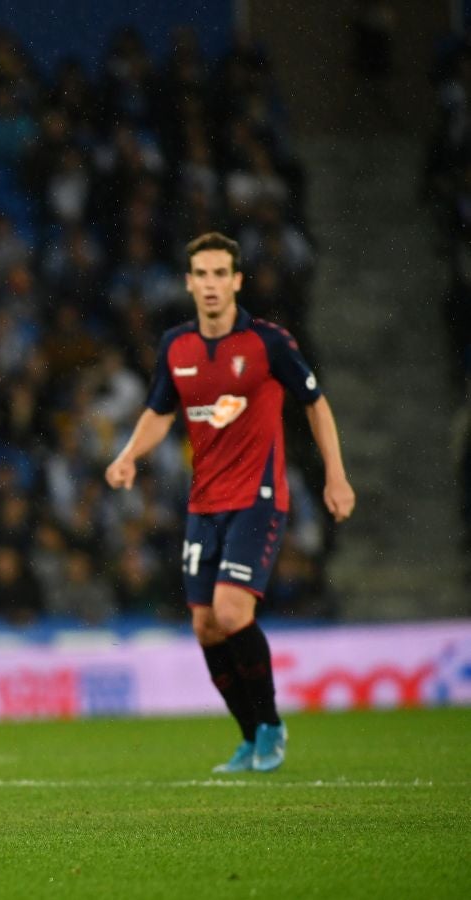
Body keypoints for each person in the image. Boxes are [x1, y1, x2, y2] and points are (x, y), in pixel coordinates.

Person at [104, 232, 355, 773]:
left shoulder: (268, 343)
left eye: (222, 274)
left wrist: (335, 476)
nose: (212, 285)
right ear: (190, 283)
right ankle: (250, 736)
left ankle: (271, 726)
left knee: (231, 611)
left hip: (258, 497)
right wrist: (129, 456)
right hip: (204, 503)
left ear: (237, 281)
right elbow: (159, 411)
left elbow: (316, 404)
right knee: (204, 625)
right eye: (203, 275)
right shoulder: (177, 346)